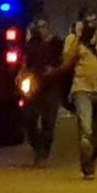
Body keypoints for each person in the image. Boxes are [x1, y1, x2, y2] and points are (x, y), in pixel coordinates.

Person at [61, 8, 97, 180]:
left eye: (94, 21)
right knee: (86, 129)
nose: (91, 25)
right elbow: (66, 64)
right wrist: (79, 39)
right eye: (88, 22)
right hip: (81, 89)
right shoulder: (73, 40)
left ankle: (91, 160)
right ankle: (87, 168)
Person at [19, 16, 63, 167]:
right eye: (38, 27)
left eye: (43, 26)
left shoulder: (57, 43)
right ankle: (37, 147)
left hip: (51, 86)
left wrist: (54, 70)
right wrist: (22, 74)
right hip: (34, 85)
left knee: (48, 122)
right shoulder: (32, 44)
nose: (41, 30)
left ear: (48, 27)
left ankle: (44, 152)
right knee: (29, 118)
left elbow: (64, 63)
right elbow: (25, 62)